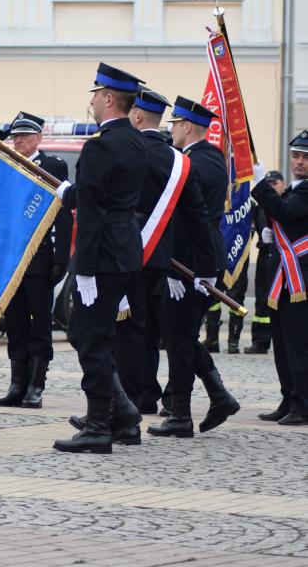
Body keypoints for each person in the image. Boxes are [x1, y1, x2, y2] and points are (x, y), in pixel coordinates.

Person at [51, 63, 147, 454]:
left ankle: (97, 426)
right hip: (125, 251)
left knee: (91, 340)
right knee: (95, 336)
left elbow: (92, 214)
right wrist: (71, 193)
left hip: (102, 258)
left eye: (95, 94)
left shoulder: (100, 146)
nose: (91, 101)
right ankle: (121, 415)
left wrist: (85, 270)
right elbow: (108, 199)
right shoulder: (137, 142)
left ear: (109, 99)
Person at [108, 88, 214, 434]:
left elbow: (111, 207)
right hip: (164, 260)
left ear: (137, 115)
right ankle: (144, 402)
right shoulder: (178, 159)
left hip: (147, 258)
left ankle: (129, 409)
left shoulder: (130, 151)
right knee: (155, 334)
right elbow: (194, 217)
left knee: (141, 335)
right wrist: (205, 267)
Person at [147, 97, 240, 438]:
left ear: (187, 126)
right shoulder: (211, 158)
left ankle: (183, 415)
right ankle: (218, 396)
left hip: (188, 261)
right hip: (201, 256)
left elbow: (186, 220)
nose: (171, 130)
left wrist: (176, 269)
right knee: (181, 336)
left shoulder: (190, 164)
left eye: (174, 124)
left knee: (179, 337)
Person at [0, 112, 72, 409]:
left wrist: (61, 255)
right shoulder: (7, 165)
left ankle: (36, 386)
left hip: (40, 258)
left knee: (39, 323)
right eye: (16, 136)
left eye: (25, 135)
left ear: (39, 138)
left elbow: (62, 214)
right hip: (12, 259)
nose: (19, 140)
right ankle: (17, 384)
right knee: (15, 322)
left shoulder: (52, 166)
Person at [250, 131, 308, 425]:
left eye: (305, 158)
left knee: (298, 344)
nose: (299, 162)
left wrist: (260, 184)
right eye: (296, 156)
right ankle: (289, 398)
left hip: (301, 279)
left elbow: (285, 212)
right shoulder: (294, 188)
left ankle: (302, 404)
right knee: (283, 343)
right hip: (286, 275)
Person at [244, 171, 285, 354]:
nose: (271, 186)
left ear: (283, 184)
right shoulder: (261, 205)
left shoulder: (288, 202)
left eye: (275, 183)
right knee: (262, 300)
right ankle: (260, 341)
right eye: (268, 183)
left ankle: (281, 340)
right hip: (265, 255)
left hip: (285, 258)